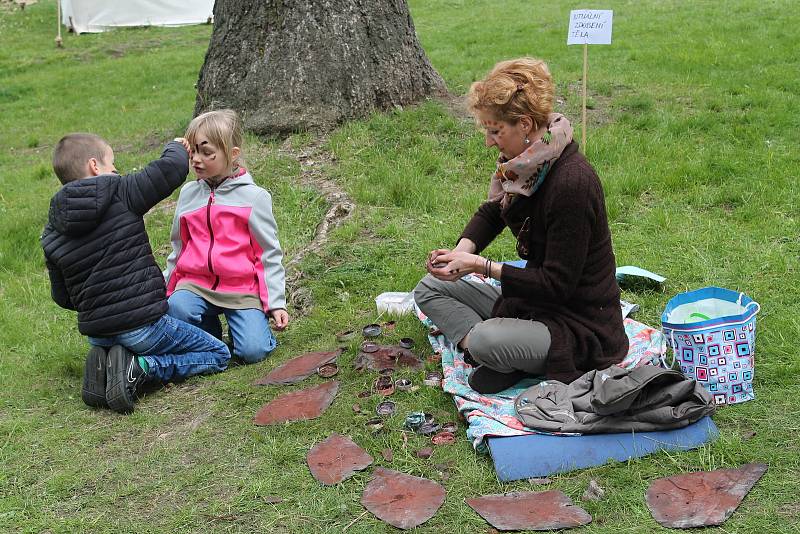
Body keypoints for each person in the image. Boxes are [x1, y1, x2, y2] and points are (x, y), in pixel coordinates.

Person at [414, 58, 628, 394]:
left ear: (525, 124)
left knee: (486, 338)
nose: (488, 141)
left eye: (495, 131)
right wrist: (459, 254)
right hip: (535, 304)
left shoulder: (572, 183)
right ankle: (507, 356)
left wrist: (482, 266)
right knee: (429, 288)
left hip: (580, 324)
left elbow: (557, 285)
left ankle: (501, 353)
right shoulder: (524, 167)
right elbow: (493, 212)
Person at [41, 133, 231, 414]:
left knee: (119, 340)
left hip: (98, 333)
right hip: (143, 327)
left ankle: (107, 364)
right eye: (113, 164)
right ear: (95, 165)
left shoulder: (51, 231)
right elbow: (170, 170)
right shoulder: (119, 192)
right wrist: (178, 146)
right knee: (219, 354)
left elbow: (63, 297)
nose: (116, 171)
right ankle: (142, 367)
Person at [164, 110, 289, 363]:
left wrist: (275, 302)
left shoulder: (254, 197)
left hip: (242, 289)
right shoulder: (188, 195)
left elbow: (268, 254)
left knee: (252, 352)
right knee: (177, 307)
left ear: (232, 154)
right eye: (193, 152)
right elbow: (178, 248)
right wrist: (164, 290)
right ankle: (210, 338)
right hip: (196, 285)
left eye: (207, 153)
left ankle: (247, 330)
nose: (197, 160)